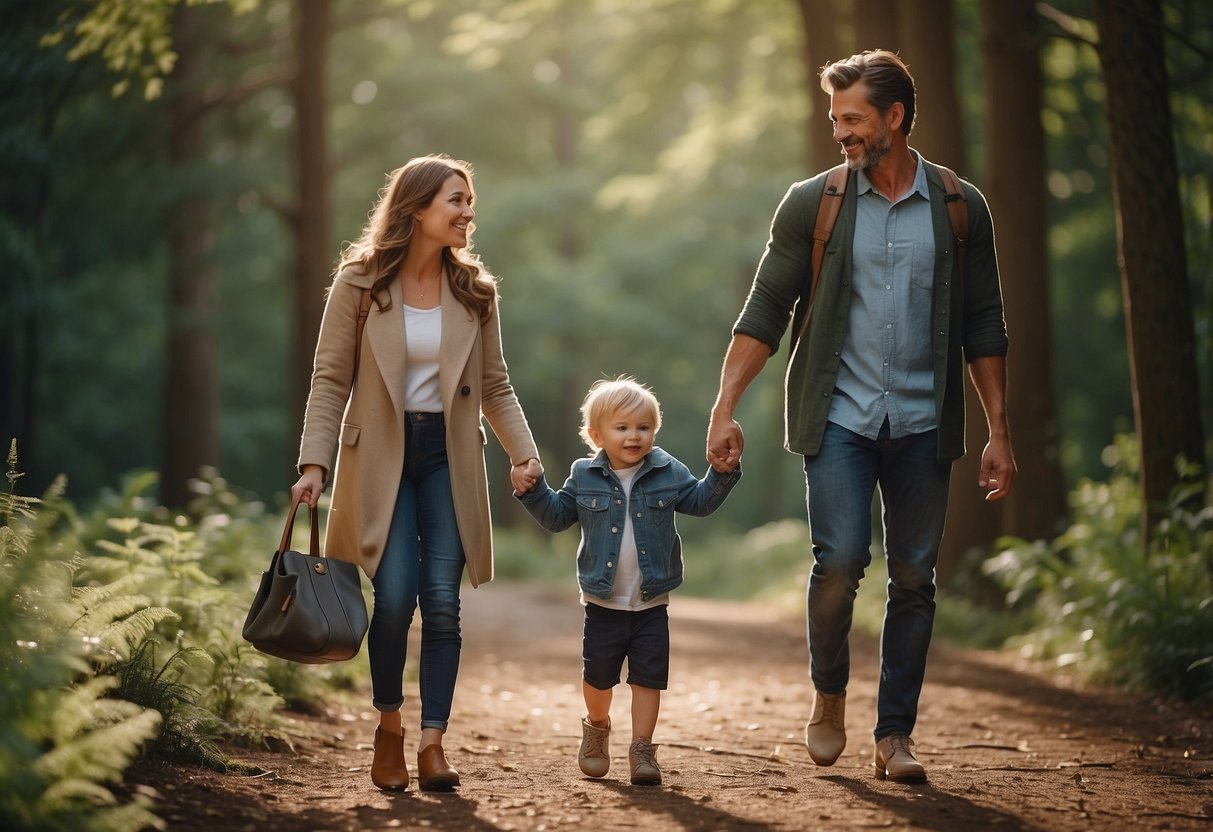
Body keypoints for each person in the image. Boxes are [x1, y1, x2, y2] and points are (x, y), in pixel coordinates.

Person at [706, 50, 1016, 783]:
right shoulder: (813, 203)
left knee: (913, 577)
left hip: (921, 421)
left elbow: (983, 321)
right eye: (833, 119)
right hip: (839, 417)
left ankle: (894, 737)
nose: (839, 132)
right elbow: (765, 310)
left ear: (894, 118)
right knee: (839, 562)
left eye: (851, 119)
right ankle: (828, 694)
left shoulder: (958, 206)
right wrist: (724, 405)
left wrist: (997, 430)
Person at [291, 153, 543, 792]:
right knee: (395, 595)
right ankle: (390, 727)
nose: (467, 212)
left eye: (469, 200)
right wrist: (313, 464)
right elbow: (329, 379)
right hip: (378, 457)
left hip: (448, 458)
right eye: (455, 201)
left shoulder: (474, 291)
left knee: (442, 603)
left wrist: (524, 452)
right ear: (417, 210)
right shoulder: (359, 284)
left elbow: (496, 385)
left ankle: (433, 742)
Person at [515, 377, 741, 785]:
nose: (634, 436)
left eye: (643, 427)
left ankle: (642, 749)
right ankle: (597, 728)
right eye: (622, 428)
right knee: (598, 676)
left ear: (654, 430)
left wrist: (722, 473)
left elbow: (700, 502)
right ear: (597, 435)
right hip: (602, 603)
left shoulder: (668, 470)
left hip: (651, 602)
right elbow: (555, 516)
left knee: (648, 678)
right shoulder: (584, 475)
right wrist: (532, 491)